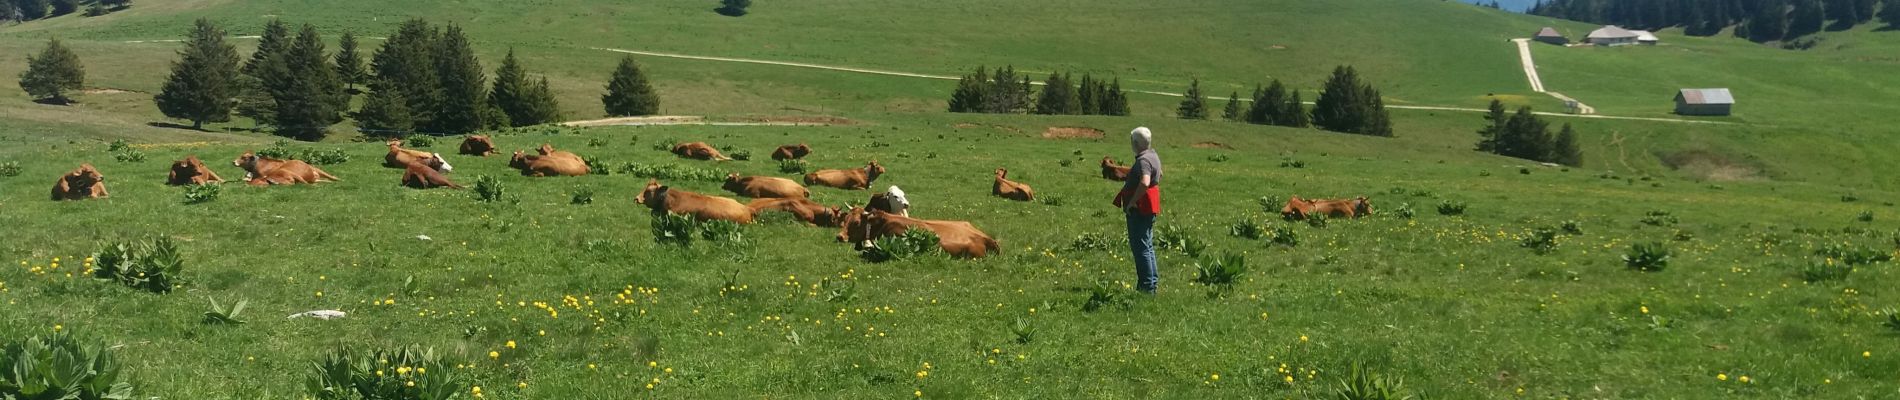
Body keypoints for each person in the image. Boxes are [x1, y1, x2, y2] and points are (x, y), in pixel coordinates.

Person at [1113, 127, 1162, 294]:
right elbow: (1160, 174)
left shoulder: (1142, 160)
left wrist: (1132, 202)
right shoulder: (1153, 155)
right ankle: (1152, 283)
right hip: (1150, 205)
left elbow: (1145, 182)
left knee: (1140, 247)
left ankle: (1147, 287)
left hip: (1140, 208)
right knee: (1147, 245)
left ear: (1135, 143)